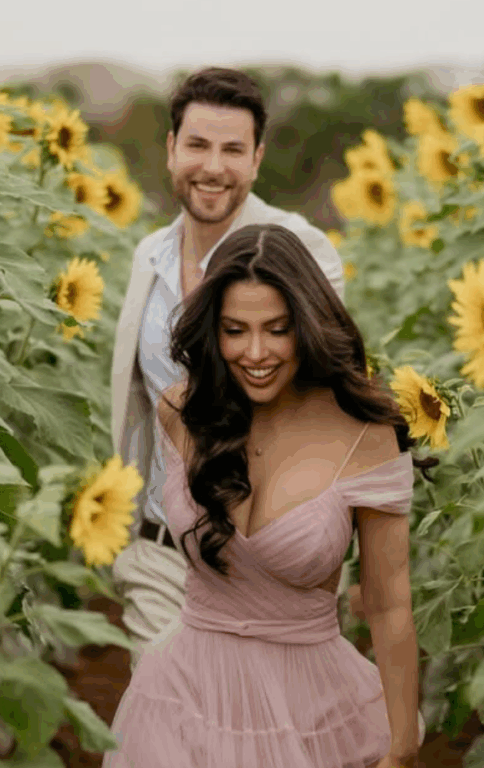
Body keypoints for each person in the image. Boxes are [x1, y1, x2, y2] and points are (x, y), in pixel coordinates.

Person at [103, 224, 431, 768]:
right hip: (183, 697)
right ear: (213, 330)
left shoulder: (364, 436)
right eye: (235, 330)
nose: (256, 353)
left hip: (312, 706)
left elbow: (389, 602)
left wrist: (402, 747)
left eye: (277, 330)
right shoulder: (181, 411)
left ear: (307, 325)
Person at [110, 67, 346, 670]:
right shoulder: (149, 256)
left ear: (257, 159)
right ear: (171, 149)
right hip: (160, 552)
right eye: (198, 145)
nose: (213, 166)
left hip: (262, 560)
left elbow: (323, 398)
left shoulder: (301, 250)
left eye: (232, 149)